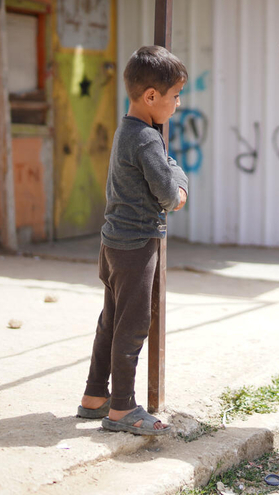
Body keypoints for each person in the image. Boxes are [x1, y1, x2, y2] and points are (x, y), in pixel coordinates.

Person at [76, 46, 189, 435]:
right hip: (137, 246)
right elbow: (169, 195)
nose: (178, 103)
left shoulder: (130, 129)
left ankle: (95, 396)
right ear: (151, 96)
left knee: (112, 320)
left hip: (113, 245)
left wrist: (169, 169)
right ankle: (122, 408)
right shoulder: (146, 139)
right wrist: (182, 185)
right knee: (134, 324)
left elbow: (160, 172)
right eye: (175, 96)